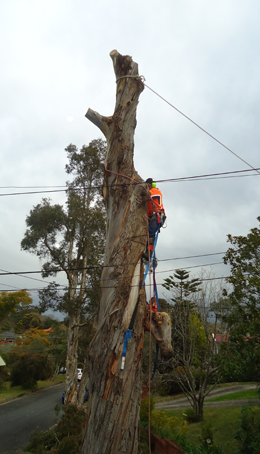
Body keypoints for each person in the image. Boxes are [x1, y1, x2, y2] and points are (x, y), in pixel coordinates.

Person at [143, 178, 166, 260]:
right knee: (147, 232)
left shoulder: (155, 191)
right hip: (151, 217)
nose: (147, 187)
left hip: (157, 215)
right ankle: (146, 249)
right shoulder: (148, 200)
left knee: (151, 232)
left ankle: (149, 253)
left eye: (148, 185)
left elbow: (148, 195)